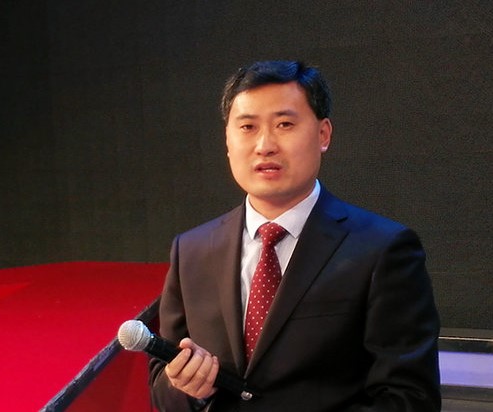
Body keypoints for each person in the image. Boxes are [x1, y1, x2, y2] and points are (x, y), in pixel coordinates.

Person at [149, 60, 441, 411]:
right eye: (247, 127)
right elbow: (161, 389)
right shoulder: (191, 250)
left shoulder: (383, 249)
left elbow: (410, 398)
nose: (264, 145)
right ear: (227, 139)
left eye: (284, 124)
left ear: (323, 135)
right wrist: (189, 389)